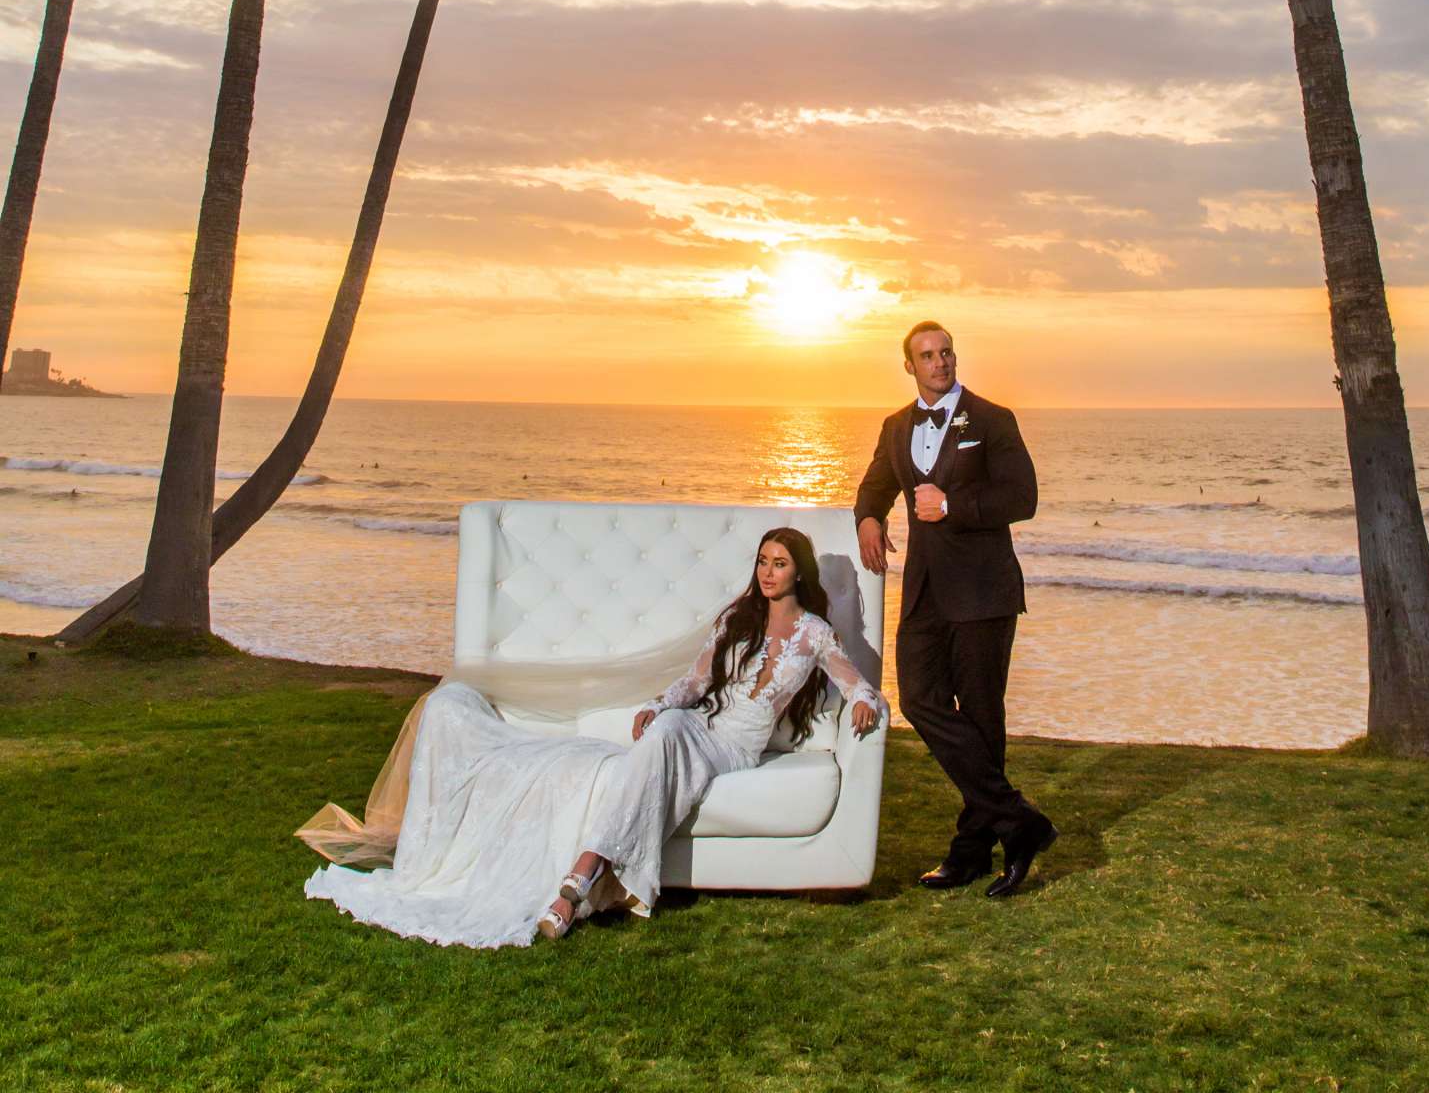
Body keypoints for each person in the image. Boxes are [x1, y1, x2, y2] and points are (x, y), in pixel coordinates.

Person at [302, 526, 886, 948]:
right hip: (695, 726)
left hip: (734, 747)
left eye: (779, 562)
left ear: (799, 571)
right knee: (668, 729)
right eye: (761, 560)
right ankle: (581, 879)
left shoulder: (813, 634)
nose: (766, 571)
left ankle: (577, 883)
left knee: (669, 737)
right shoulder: (739, 618)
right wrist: (658, 704)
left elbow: (856, 683)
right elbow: (693, 681)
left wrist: (863, 704)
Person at [854, 320, 1055, 898]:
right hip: (924, 593)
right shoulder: (896, 427)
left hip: (984, 591)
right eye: (928, 355)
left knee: (984, 717)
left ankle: (969, 851)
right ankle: (1019, 823)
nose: (940, 362)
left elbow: (1024, 498)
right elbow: (874, 487)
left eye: (946, 352)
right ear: (909, 366)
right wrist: (869, 518)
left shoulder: (993, 420)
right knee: (918, 699)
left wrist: (954, 504)